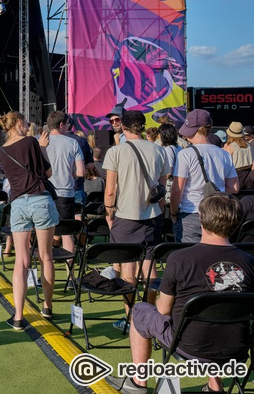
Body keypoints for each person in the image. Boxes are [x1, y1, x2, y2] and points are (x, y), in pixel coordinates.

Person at [108, 194, 254, 394]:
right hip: (237, 347)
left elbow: (163, 309)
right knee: (219, 314)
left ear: (202, 220)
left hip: (189, 345)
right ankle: (214, 385)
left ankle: (137, 382)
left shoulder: (180, 258)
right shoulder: (249, 262)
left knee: (141, 310)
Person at [102, 111, 170, 331]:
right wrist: (159, 211)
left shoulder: (116, 151)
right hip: (152, 215)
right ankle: (150, 319)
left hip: (125, 214)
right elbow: (161, 189)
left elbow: (110, 191)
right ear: (142, 126)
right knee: (150, 268)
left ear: (123, 126)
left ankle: (131, 319)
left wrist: (109, 213)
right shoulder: (159, 150)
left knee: (128, 270)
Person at [0, 111, 57, 327]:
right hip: (39, 200)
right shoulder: (32, 142)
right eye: (27, 123)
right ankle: (47, 307)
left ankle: (19, 316)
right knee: (45, 256)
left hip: (19, 203)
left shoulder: (3, 150)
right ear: (20, 122)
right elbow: (48, 173)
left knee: (21, 261)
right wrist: (42, 148)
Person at [171, 109, 239, 243]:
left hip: (191, 212)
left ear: (194, 130)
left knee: (190, 258)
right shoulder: (223, 153)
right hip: (216, 213)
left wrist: (173, 213)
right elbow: (234, 188)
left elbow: (177, 190)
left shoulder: (185, 154)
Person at [43, 111, 84, 260]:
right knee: (67, 234)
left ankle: (46, 270)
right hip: (66, 192)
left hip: (45, 192)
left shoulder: (39, 141)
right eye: (67, 124)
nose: (68, 127)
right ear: (61, 125)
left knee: (45, 233)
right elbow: (80, 172)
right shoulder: (73, 142)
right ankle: (70, 274)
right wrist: (68, 172)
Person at [224, 121, 254, 190]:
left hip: (235, 175)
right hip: (249, 175)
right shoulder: (249, 146)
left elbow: (225, 165)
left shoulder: (229, 147)